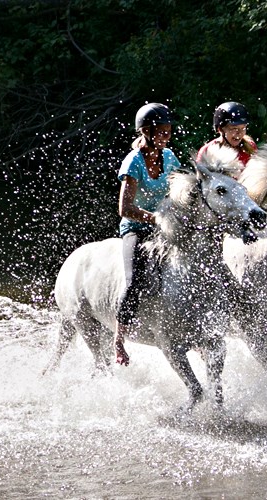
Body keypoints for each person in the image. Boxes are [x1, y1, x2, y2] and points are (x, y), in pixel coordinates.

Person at [114, 102, 181, 366]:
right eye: (161, 132)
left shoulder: (170, 158)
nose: (166, 136)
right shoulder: (133, 162)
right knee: (134, 280)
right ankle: (119, 339)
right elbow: (125, 208)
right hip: (137, 229)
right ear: (146, 132)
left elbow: (178, 192)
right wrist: (156, 219)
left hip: (167, 226)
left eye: (168, 131)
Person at [195, 101, 257, 178]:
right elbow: (201, 181)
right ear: (220, 129)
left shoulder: (250, 146)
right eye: (235, 128)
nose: (240, 133)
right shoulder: (207, 151)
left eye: (243, 128)